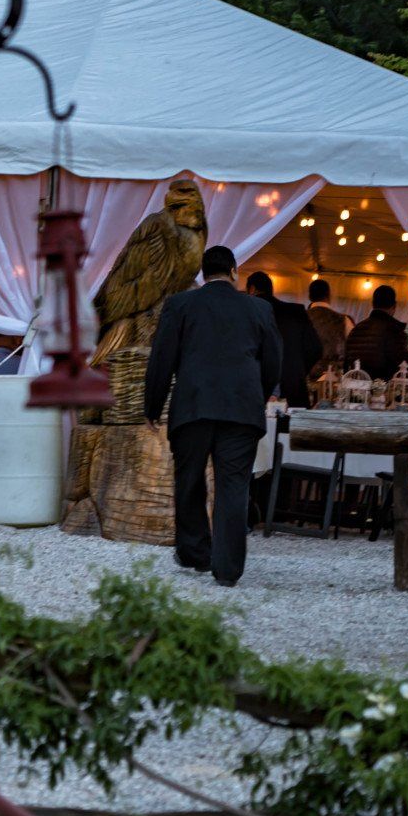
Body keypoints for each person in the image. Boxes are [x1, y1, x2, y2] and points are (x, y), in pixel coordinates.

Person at [144, 244, 281, 588]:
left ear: (203, 275)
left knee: (188, 481)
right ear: (235, 272)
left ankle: (195, 551)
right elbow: (274, 361)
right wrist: (257, 395)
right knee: (233, 487)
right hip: (240, 409)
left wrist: (152, 405)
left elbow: (162, 358)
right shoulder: (259, 309)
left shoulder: (180, 305)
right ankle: (228, 569)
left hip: (193, 405)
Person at [245, 272, 320, 407]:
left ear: (252, 289)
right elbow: (315, 348)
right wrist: (297, 370)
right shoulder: (295, 311)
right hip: (294, 391)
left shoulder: (248, 313)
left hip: (256, 393)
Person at [344, 286, 408, 380]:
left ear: (372, 304)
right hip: (384, 389)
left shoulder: (357, 329)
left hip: (357, 386)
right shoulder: (395, 330)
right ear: (394, 306)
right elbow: (403, 363)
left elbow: (347, 362)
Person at [305, 278, 350, 374]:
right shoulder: (343, 320)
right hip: (334, 379)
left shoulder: (299, 318)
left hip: (306, 377)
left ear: (309, 296)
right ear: (329, 295)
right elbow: (352, 349)